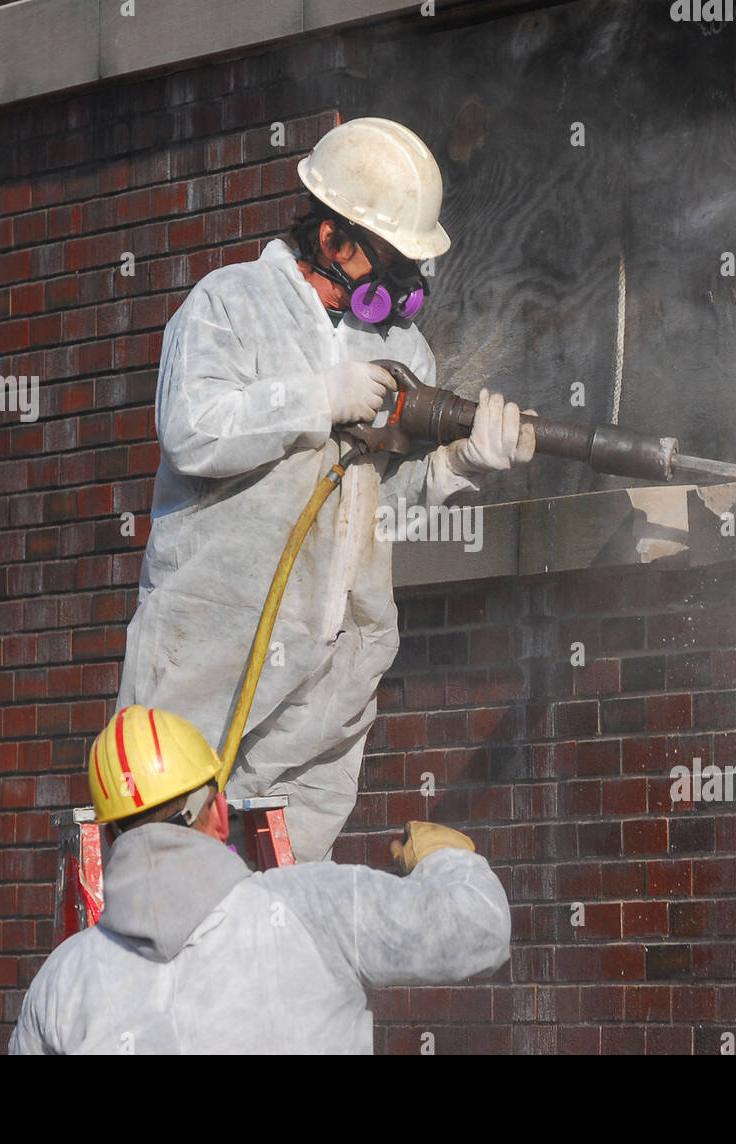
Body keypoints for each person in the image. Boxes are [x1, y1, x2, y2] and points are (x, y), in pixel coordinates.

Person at [116, 117, 536, 861]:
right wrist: (317, 397)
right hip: (209, 657)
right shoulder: (229, 305)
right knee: (171, 885)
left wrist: (456, 468)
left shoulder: (403, 352)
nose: (409, 287)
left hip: (328, 681)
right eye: (396, 261)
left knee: (280, 913)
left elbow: (373, 512)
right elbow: (191, 428)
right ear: (335, 237)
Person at [8, 706, 511, 1054]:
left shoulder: (62, 982)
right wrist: (446, 858)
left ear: (111, 837)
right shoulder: (315, 908)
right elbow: (478, 931)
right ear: (221, 815)